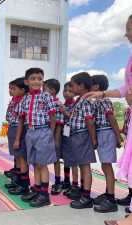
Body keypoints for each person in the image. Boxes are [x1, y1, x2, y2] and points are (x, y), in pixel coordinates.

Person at [84, 14, 132, 225]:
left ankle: (114, 202)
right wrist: (103, 94)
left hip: (106, 136)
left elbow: (111, 118)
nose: (125, 33)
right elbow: (126, 89)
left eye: (129, 28)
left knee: (110, 166)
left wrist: (117, 136)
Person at [15, 68, 57, 207]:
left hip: (43, 131)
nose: (36, 81)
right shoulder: (25, 98)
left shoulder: (46, 96)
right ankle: (38, 189)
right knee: (34, 162)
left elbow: (52, 116)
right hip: (30, 132)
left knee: (43, 164)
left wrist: (50, 133)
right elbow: (21, 118)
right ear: (26, 81)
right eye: (33, 79)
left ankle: (44, 195)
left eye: (39, 79)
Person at [89, 75, 122, 213]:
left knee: (107, 166)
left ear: (96, 87)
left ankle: (111, 201)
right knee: (104, 164)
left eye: (91, 85)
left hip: (106, 132)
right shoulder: (97, 101)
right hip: (102, 132)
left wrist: (118, 137)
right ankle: (108, 194)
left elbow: (111, 118)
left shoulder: (104, 100)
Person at [68, 72, 97, 209]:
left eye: (73, 86)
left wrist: (93, 140)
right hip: (76, 136)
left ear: (82, 86)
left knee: (85, 166)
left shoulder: (85, 100)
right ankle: (82, 191)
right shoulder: (79, 100)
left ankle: (86, 197)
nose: (71, 88)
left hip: (82, 135)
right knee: (81, 165)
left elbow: (89, 121)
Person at [43, 78, 69, 195]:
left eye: (45, 90)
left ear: (52, 91)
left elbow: (59, 123)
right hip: (44, 135)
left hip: (53, 137)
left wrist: (56, 139)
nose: (43, 92)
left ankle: (58, 182)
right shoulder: (45, 102)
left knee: (56, 160)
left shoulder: (57, 104)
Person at [4, 78, 29, 195]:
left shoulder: (23, 102)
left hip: (20, 130)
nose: (11, 91)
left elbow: (21, 120)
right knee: (17, 157)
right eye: (10, 89)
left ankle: (24, 185)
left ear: (22, 90)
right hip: (12, 128)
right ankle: (18, 181)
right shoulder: (15, 101)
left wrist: (18, 138)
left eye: (14, 89)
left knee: (22, 158)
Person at [58, 82, 80, 199]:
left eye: (70, 91)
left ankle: (75, 185)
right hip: (64, 134)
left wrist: (65, 112)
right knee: (66, 159)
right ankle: (66, 181)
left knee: (73, 161)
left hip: (72, 135)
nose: (67, 93)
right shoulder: (63, 104)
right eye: (65, 91)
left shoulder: (75, 104)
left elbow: (73, 119)